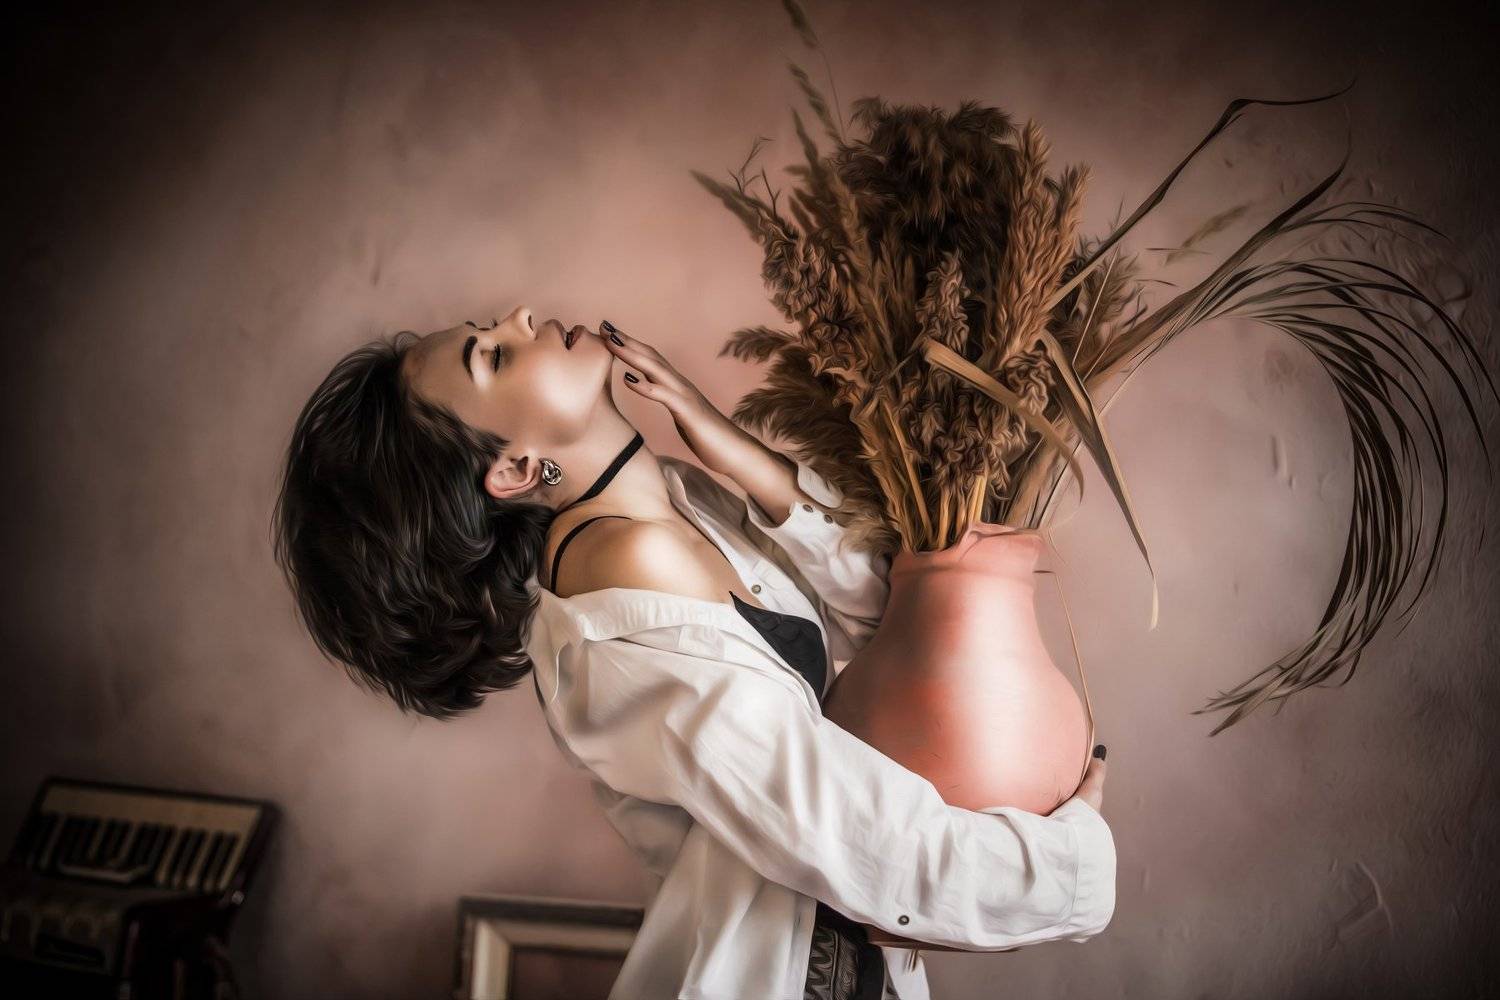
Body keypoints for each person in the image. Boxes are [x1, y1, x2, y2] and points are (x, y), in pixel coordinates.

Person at [272, 305, 1114, 1000]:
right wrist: (1068, 864)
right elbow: (842, 827)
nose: (521, 316)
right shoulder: (616, 610)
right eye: (493, 354)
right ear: (519, 469)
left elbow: (888, 611)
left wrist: (734, 449)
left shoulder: (678, 499)